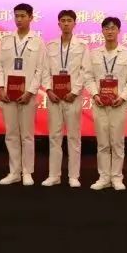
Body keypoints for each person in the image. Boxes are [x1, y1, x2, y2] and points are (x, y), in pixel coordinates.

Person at [0, 3, 45, 186]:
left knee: (27, 135)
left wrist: (30, 92)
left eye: (23, 16)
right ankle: (14, 172)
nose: (19, 19)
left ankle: (27, 172)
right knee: (11, 134)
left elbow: (40, 70)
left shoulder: (38, 42)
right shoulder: (6, 40)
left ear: (31, 17)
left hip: (27, 95)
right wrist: (1, 88)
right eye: (16, 16)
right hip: (8, 94)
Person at [85, 17, 127, 191]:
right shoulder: (94, 54)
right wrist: (95, 94)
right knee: (102, 143)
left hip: (118, 104)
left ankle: (116, 177)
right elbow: (88, 77)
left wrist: (123, 96)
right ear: (102, 31)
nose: (109, 31)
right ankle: (103, 177)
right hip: (99, 103)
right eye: (106, 28)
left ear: (118, 31)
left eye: (113, 28)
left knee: (117, 142)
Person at [42, 10, 88, 188]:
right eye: (63, 20)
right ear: (58, 24)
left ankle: (73, 176)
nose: (66, 23)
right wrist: (48, 89)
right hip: (54, 97)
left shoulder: (82, 46)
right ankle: (54, 175)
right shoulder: (50, 46)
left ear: (75, 23)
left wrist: (75, 92)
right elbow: (45, 70)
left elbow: (85, 71)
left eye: (69, 20)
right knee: (54, 136)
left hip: (72, 97)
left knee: (74, 136)